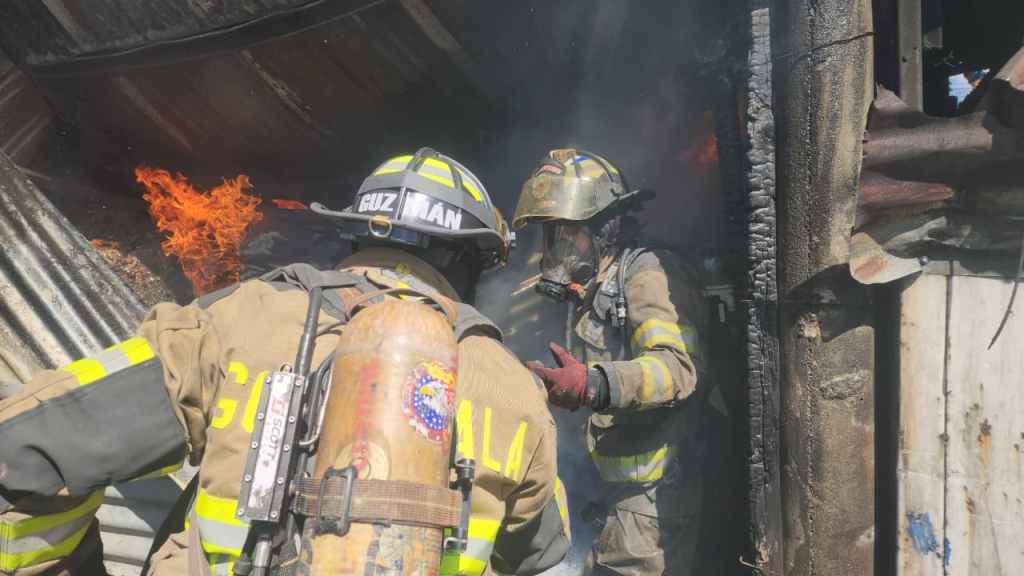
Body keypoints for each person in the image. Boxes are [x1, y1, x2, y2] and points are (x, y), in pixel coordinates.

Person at [0, 148, 570, 576]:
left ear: (356, 236)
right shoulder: (516, 392)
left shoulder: (244, 319)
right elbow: (540, 556)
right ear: (474, 261)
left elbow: (27, 452)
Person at [512, 149, 710, 575]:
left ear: (605, 227)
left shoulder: (646, 274)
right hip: (610, 491)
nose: (556, 248)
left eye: (569, 234)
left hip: (654, 498)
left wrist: (594, 384)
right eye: (551, 235)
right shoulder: (589, 292)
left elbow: (678, 369)